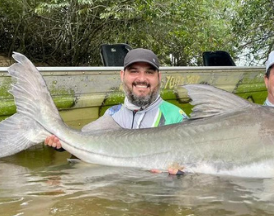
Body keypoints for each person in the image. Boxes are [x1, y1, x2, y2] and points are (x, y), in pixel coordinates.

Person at [45, 48, 188, 153]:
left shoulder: (177, 117)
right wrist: (61, 145)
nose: (142, 79)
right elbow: (85, 138)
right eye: (134, 71)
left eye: (149, 72)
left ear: (159, 77)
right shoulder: (113, 114)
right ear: (122, 75)